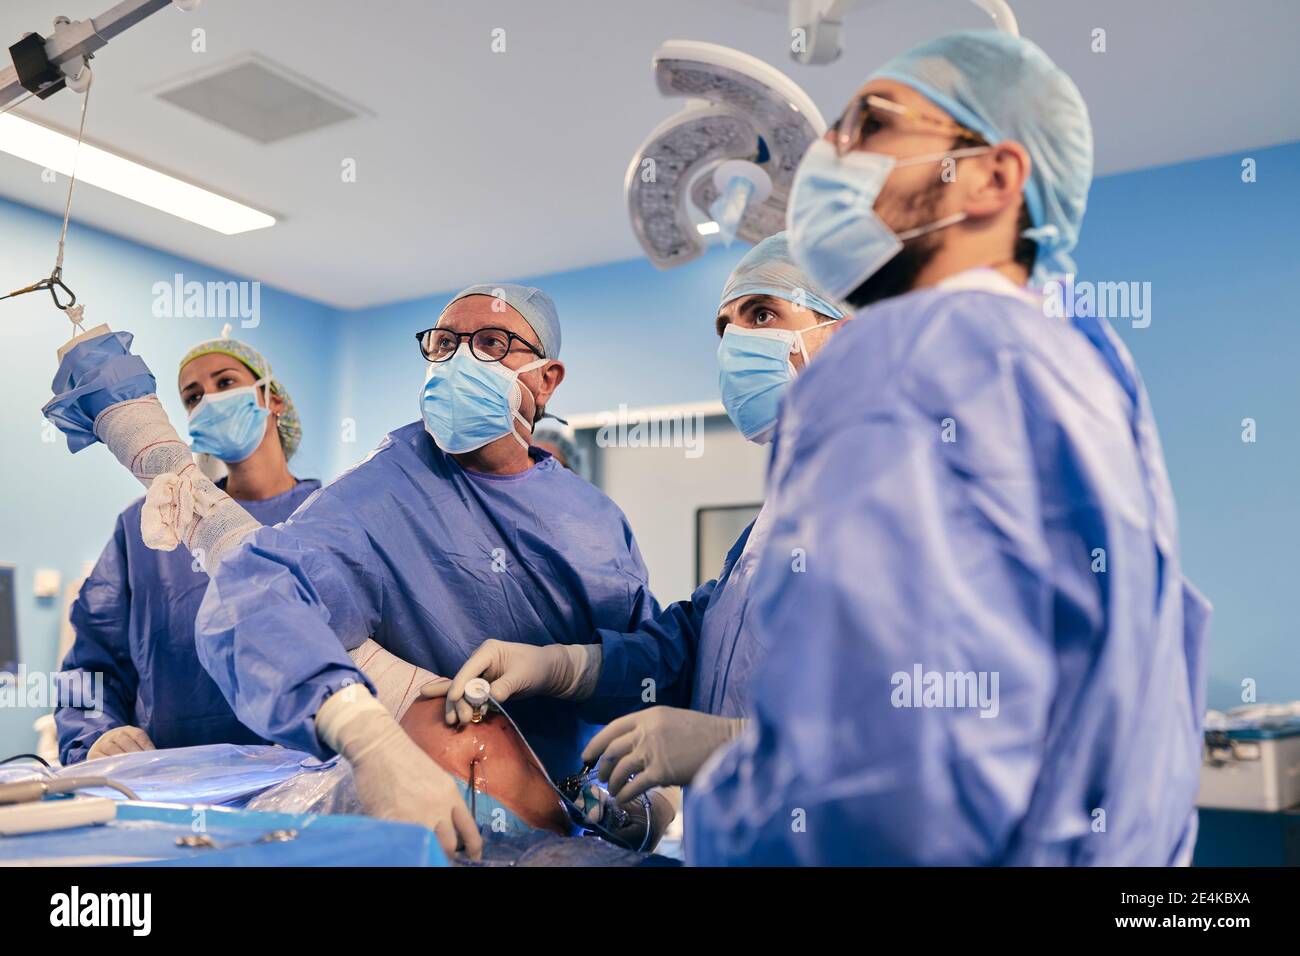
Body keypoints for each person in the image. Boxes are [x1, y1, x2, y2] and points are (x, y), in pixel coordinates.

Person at [685, 30, 1212, 866]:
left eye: (874, 124)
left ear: (996, 178)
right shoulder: (1082, 372)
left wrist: (714, 824)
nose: (831, 153)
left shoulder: (904, 358)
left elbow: (882, 786)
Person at [193, 284, 658, 860]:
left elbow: (647, 667)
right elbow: (255, 597)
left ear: (546, 378)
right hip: (419, 828)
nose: (460, 359)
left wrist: (647, 799)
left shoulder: (595, 523)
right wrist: (366, 735)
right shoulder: (384, 492)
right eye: (444, 344)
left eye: (491, 343)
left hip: (565, 831)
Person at [428, 235, 845, 804]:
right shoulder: (776, 522)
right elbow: (686, 648)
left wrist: (736, 747)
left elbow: (941, 731)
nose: (737, 343)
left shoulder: (909, 501)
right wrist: (559, 666)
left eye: (763, 313)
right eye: (726, 328)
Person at [56, 330, 320, 763]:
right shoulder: (154, 524)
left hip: (308, 776)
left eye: (226, 382)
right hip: (175, 780)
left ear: (274, 399)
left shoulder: (327, 520)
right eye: (193, 397)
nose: (209, 401)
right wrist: (97, 735)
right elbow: (94, 660)